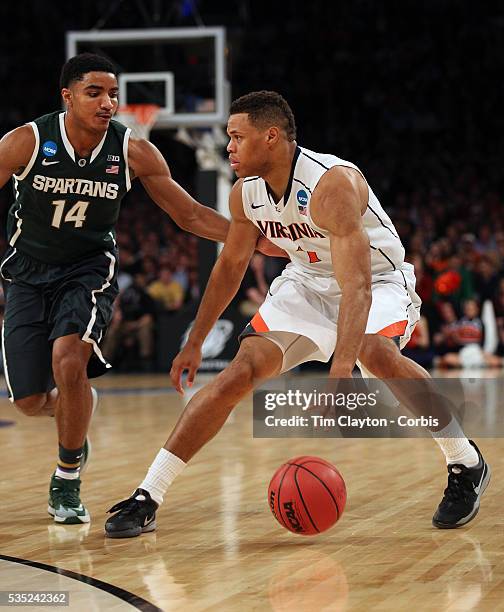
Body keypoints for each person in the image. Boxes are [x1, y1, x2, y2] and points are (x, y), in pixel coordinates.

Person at [105, 91, 490, 538]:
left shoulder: (332, 184)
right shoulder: (245, 193)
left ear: (271, 137)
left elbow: (357, 286)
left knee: (375, 352)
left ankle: (465, 462)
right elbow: (229, 267)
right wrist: (194, 341)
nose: (228, 146)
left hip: (378, 280)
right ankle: (148, 495)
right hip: (305, 281)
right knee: (237, 373)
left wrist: (342, 368)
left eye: (236, 136)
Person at [0, 56, 278, 525]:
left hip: (88, 269)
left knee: (69, 359)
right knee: (28, 401)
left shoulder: (133, 151)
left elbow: (189, 215)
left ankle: (67, 479)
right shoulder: (26, 142)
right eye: (94, 93)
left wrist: (251, 237)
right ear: (66, 97)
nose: (108, 103)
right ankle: (76, 410)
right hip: (27, 272)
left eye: (113, 94)